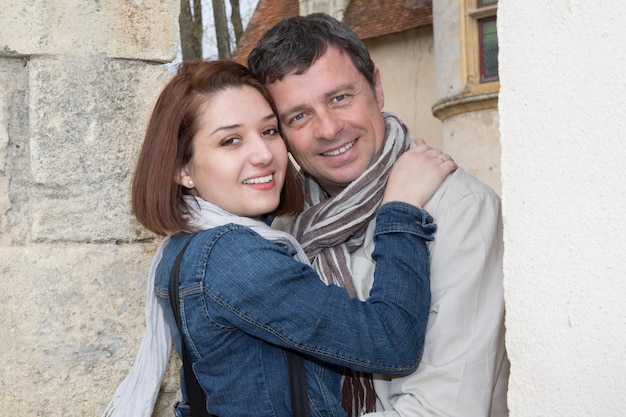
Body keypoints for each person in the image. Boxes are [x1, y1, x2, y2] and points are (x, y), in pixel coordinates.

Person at [102, 60, 457, 417]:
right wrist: (400, 206)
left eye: (270, 131)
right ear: (182, 168)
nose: (264, 155)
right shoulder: (232, 257)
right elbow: (390, 342)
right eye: (231, 140)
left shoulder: (187, 247)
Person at [247, 13, 509, 417]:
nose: (329, 128)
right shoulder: (285, 228)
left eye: (340, 97)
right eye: (298, 116)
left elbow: (444, 409)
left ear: (378, 87)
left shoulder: (459, 209)